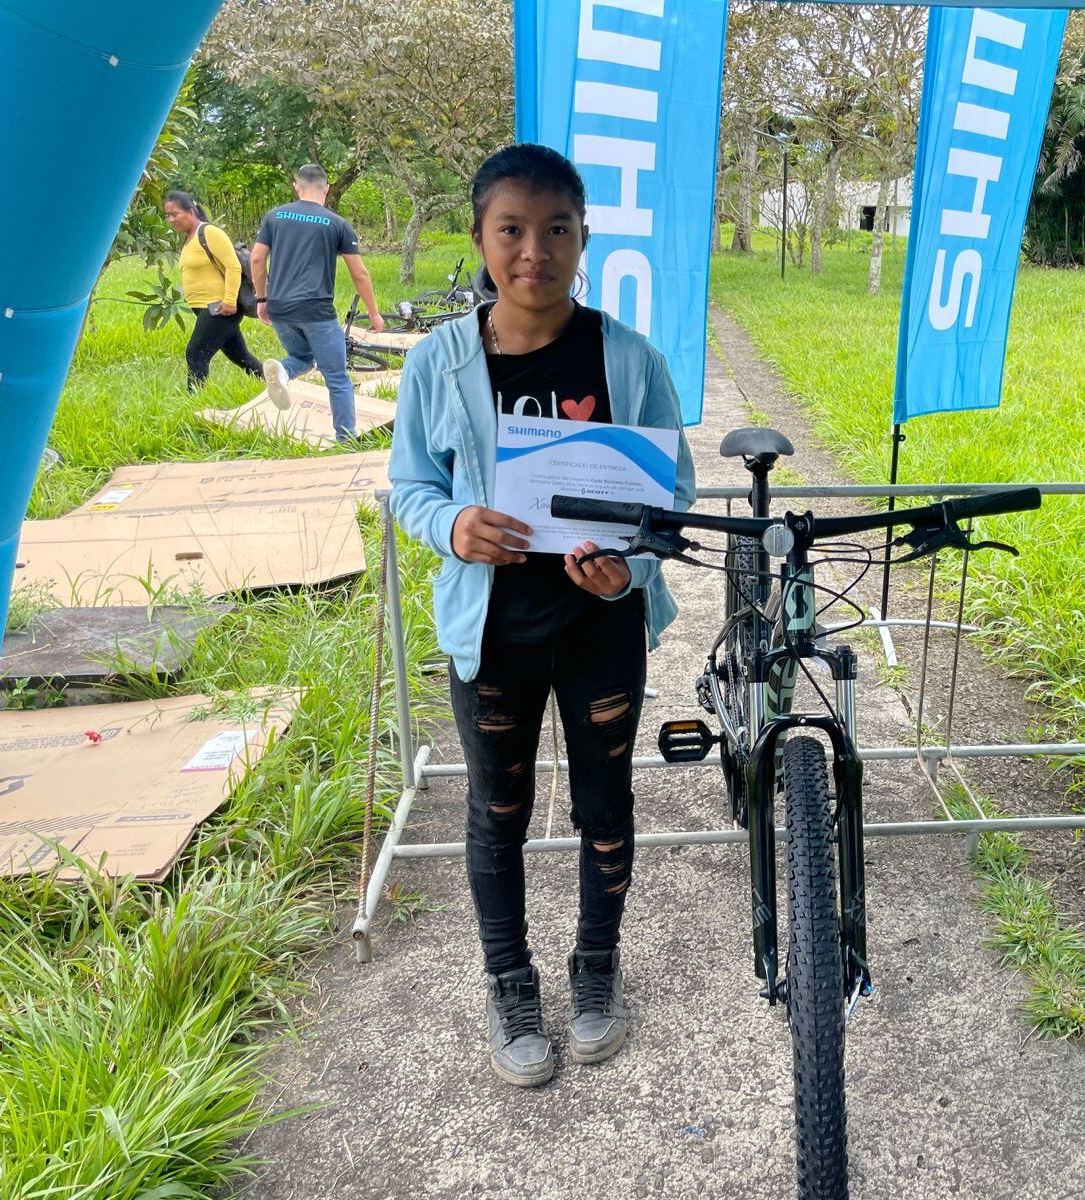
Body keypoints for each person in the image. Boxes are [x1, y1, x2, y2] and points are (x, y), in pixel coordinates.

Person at [389, 144, 695, 1089]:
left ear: (584, 237)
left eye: (556, 229)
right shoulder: (440, 362)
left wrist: (631, 570)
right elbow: (407, 485)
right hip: (493, 635)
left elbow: (669, 497)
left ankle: (597, 967)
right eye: (511, 230)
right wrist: (452, 524)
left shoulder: (629, 359)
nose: (534, 251)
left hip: (600, 628)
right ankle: (509, 978)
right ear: (480, 237)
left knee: (608, 804)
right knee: (497, 813)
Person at [250, 164, 384, 441]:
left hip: (280, 307)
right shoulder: (337, 224)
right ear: (326, 189)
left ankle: (283, 371)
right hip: (317, 310)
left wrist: (262, 298)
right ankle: (345, 438)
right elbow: (359, 272)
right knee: (337, 378)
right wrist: (373, 314)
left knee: (302, 357)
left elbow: (256, 259)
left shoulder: (274, 217)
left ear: (297, 187)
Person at [163, 190, 263, 391]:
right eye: (167, 216)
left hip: (219, 307)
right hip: (204, 307)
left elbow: (233, 266)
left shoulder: (209, 232)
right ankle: (273, 384)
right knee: (239, 355)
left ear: (191, 211)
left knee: (195, 352)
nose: (171, 220)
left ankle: (194, 401)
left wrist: (228, 300)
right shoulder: (189, 238)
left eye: (175, 214)